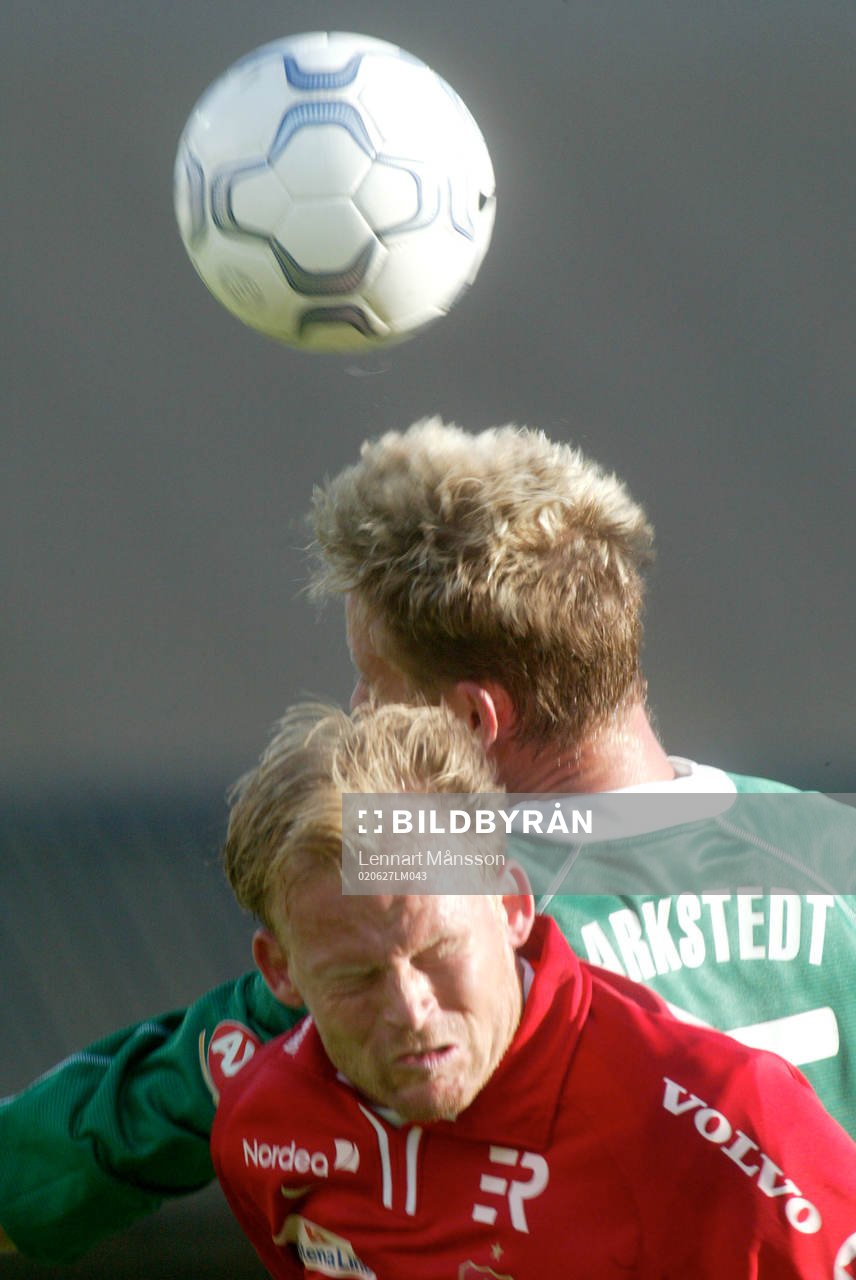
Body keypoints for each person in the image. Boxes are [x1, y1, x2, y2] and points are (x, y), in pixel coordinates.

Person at [1, 420, 854, 1263]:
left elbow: (158, 1102)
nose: (361, 715)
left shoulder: (436, 893)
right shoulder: (829, 849)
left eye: (375, 684)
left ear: (469, 721)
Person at [212, 698, 856, 1278]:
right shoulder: (260, 1129)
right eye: (355, 977)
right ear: (280, 972)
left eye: (438, 952)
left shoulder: (728, 1121)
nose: (410, 1009)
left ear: (512, 905)